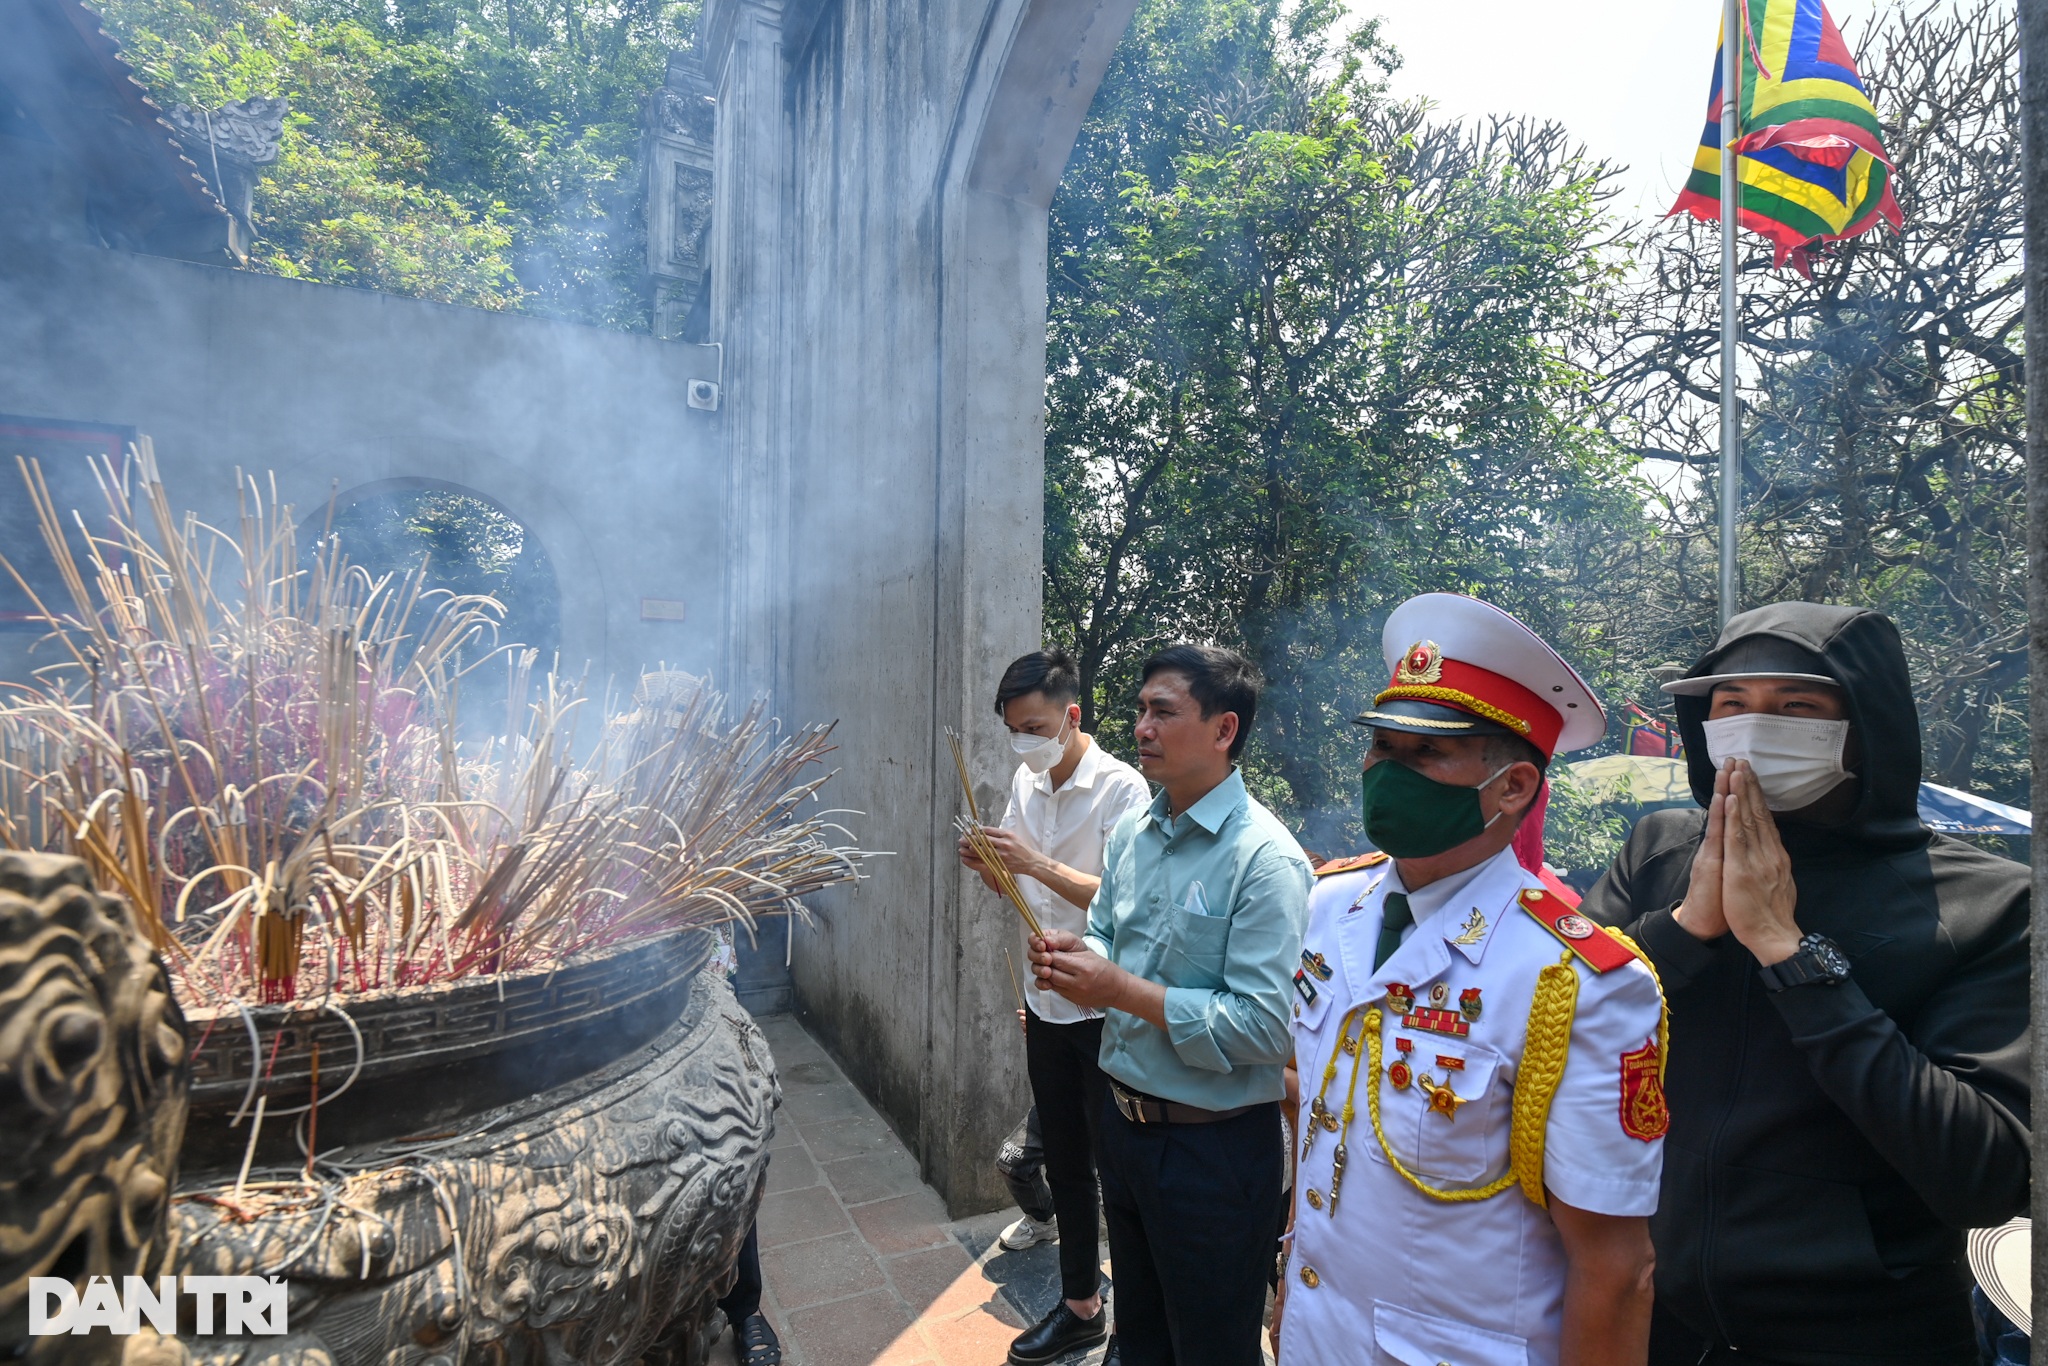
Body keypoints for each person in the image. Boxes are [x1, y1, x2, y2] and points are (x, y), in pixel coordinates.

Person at [1581, 603, 2031, 1366]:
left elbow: (1989, 1175)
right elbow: (1556, 1043)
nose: (1755, 729)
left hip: (1866, 1334)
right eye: (1731, 706)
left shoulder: (1985, 901)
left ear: (1865, 725)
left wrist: (1789, 952)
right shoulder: (1659, 851)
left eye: (1796, 707)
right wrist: (1686, 926)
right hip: (1655, 1314)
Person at [1273, 593, 1665, 1366]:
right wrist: (1295, 1276)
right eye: (1382, 748)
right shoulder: (1328, 906)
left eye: (1426, 756)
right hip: (1321, 1337)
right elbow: (1325, 1122)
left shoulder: (1573, 980)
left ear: (1514, 788)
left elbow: (1616, 1267)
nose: (1388, 773)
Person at [1027, 644, 1312, 1366]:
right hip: (1123, 1131)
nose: (1142, 728)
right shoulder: (1133, 835)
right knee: (1142, 1341)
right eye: (1140, 710)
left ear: (1224, 731)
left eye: (1164, 711)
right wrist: (1075, 958)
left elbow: (1264, 1027)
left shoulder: (1266, 861)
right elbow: (1105, 936)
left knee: (1213, 1348)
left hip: (1211, 1150)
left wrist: (1119, 989)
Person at [959, 649, 1149, 1365]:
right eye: (1014, 730)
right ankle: (1080, 1307)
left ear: (1073, 716)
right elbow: (1019, 888)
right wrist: (991, 867)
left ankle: (1137, 1324)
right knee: (1065, 1161)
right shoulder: (1025, 778)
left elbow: (1127, 904)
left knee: (1123, 1170)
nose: (1023, 743)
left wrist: (1034, 863)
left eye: (1034, 727)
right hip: (1045, 1003)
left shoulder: (1124, 791)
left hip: (1106, 1005)